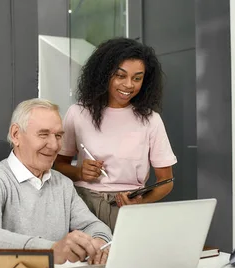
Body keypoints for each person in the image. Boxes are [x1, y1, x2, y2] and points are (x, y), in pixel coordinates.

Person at [53, 37, 177, 231]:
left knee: (130, 261)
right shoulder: (78, 113)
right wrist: (79, 172)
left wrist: (140, 202)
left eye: (137, 78)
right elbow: (57, 165)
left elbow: (166, 181)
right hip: (84, 206)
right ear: (104, 75)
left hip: (129, 207)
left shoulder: (151, 119)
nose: (129, 85)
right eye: (120, 76)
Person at [0, 98, 112, 265]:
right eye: (43, 134)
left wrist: (100, 244)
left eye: (58, 136)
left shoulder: (63, 184)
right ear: (16, 135)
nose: (54, 145)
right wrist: (51, 250)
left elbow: (94, 226)